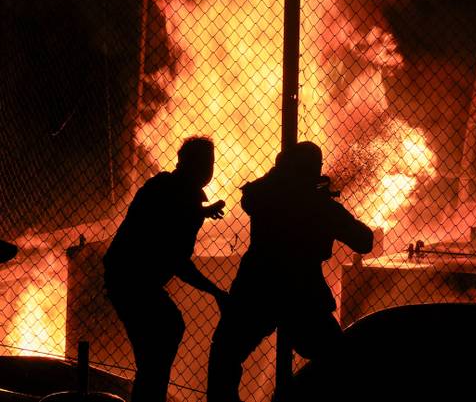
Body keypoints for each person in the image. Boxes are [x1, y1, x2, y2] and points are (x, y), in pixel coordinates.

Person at [207, 141, 373, 402]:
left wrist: (287, 179)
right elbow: (365, 241)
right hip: (301, 292)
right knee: (337, 360)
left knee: (225, 354)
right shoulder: (320, 206)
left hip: (258, 286)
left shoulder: (267, 196)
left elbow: (250, 196)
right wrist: (323, 200)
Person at [104, 136, 228, 402]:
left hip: (132, 280)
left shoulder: (174, 192)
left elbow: (171, 220)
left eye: (210, 162)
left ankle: (149, 392)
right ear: (186, 163)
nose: (208, 169)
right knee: (165, 334)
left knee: (162, 339)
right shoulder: (167, 191)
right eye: (203, 162)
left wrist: (201, 212)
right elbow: (175, 256)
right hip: (130, 280)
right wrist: (215, 291)